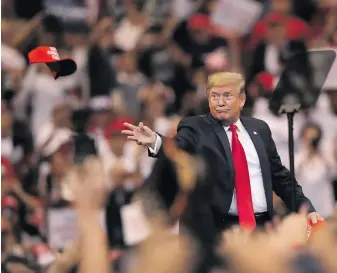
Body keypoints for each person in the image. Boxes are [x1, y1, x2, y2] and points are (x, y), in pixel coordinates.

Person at [122, 72, 322, 240]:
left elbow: (280, 177)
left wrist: (306, 208)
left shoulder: (259, 129)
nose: (220, 102)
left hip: (260, 231)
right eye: (215, 96)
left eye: (227, 96)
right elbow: (178, 147)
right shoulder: (195, 127)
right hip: (218, 233)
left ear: (241, 100)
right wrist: (155, 141)